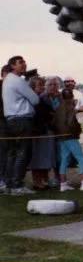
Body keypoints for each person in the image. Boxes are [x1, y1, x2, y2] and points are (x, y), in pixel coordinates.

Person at [2, 56, 39, 195]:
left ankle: (8, 183)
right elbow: (35, 100)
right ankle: (17, 184)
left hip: (11, 119)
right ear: (12, 66)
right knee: (23, 152)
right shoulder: (18, 81)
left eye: (24, 62)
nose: (24, 64)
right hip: (22, 119)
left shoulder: (7, 80)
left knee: (14, 153)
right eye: (20, 63)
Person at [52, 88, 83, 192]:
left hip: (61, 137)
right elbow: (72, 123)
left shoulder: (58, 108)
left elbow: (53, 124)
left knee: (64, 159)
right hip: (70, 137)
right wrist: (77, 131)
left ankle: (63, 183)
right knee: (81, 158)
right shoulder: (70, 107)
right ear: (72, 96)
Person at [29, 77, 58, 190]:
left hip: (44, 130)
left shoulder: (39, 99)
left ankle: (43, 180)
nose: (42, 87)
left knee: (43, 156)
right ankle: (37, 181)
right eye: (40, 85)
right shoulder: (35, 99)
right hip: (39, 131)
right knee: (38, 157)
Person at [0, 64, 11, 191]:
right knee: (2, 153)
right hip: (2, 122)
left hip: (8, 122)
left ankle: (6, 178)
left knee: (8, 153)